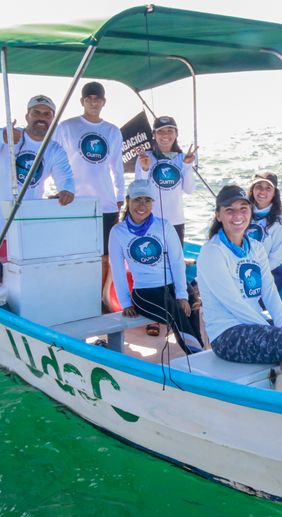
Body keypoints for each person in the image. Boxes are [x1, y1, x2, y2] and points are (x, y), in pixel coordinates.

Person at [196, 185, 282, 396]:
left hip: (254, 324)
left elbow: (270, 291)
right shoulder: (212, 252)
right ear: (218, 215)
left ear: (251, 212)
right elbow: (233, 302)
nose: (238, 215)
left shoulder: (255, 247)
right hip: (227, 336)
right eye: (229, 210)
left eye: (243, 208)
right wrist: (276, 333)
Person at [0, 94, 74, 264]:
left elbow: (65, 178)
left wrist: (66, 191)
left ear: (53, 119)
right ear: (27, 116)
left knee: (25, 273)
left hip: (28, 225)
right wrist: (0, 136)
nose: (41, 118)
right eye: (36, 112)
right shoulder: (8, 136)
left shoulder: (55, 150)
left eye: (47, 114)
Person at [108, 181, 203, 355]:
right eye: (137, 200)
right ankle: (195, 356)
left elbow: (176, 260)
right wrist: (125, 302)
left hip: (172, 285)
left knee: (192, 302)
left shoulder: (164, 225)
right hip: (146, 292)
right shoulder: (118, 231)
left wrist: (182, 293)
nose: (142, 205)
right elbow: (117, 268)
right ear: (128, 201)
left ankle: (201, 351)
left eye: (147, 200)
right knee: (176, 310)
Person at [54, 81, 125, 298]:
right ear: (82, 101)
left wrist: (120, 195)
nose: (93, 103)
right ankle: (77, 294)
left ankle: (102, 297)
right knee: (74, 252)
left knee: (105, 254)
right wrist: (58, 189)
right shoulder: (66, 127)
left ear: (104, 102)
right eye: (89, 99)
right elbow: (53, 161)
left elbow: (117, 166)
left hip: (105, 202)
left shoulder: (112, 131)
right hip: (74, 202)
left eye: (98, 99)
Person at [135, 115, 196, 245]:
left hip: (176, 221)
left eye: (170, 131)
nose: (165, 135)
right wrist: (145, 169)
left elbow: (189, 190)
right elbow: (140, 191)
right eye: (160, 131)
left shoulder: (183, 158)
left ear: (176, 134)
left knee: (175, 263)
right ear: (154, 135)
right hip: (149, 220)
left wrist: (187, 166)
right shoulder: (144, 157)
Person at [246, 171, 282, 292]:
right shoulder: (241, 213)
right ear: (252, 190)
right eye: (258, 187)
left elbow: (276, 259)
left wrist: (250, 275)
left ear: (274, 192)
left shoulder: (281, 222)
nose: (262, 192)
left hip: (268, 273)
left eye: (268, 188)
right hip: (239, 269)